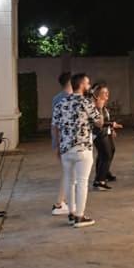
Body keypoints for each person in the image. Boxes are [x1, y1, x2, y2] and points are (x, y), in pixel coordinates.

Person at [53, 73, 101, 227]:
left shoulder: (61, 103)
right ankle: (80, 216)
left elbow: (55, 126)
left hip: (66, 148)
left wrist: (58, 146)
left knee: (69, 181)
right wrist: (98, 105)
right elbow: (99, 122)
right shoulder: (86, 102)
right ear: (81, 85)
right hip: (83, 148)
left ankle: (71, 213)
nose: (89, 86)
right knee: (82, 182)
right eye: (87, 83)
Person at [51, 72, 73, 216]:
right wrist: (57, 144)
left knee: (68, 173)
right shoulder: (66, 99)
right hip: (66, 141)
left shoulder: (57, 98)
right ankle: (59, 203)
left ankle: (63, 201)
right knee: (68, 173)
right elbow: (57, 125)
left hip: (63, 141)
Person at [91, 83, 120, 191]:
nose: (107, 94)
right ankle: (100, 181)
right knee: (106, 155)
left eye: (107, 92)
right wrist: (112, 124)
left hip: (106, 132)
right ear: (98, 94)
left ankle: (104, 174)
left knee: (110, 151)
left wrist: (111, 129)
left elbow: (106, 119)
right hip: (99, 134)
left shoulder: (103, 105)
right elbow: (99, 123)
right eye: (104, 92)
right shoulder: (96, 106)